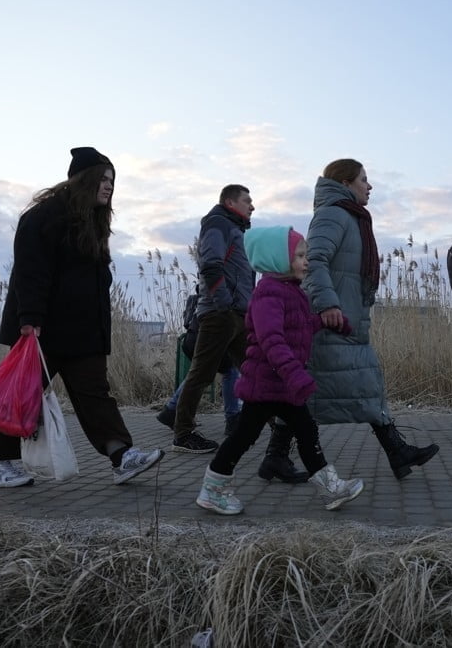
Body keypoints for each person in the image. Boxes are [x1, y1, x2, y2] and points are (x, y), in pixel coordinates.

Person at [0, 147, 164, 488]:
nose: (109, 186)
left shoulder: (92, 222)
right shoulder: (43, 217)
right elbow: (30, 271)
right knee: (23, 395)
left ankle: (121, 456)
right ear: (85, 179)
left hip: (83, 331)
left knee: (95, 393)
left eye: (112, 180)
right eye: (103, 179)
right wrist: (30, 319)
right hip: (44, 329)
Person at [196, 227, 364, 513]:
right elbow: (271, 340)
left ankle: (330, 488)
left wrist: (325, 322)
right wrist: (295, 374)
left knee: (306, 430)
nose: (306, 262)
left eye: (306, 256)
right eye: (299, 256)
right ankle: (213, 489)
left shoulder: (291, 293)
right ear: (277, 260)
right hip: (266, 383)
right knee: (244, 437)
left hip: (282, 384)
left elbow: (299, 329)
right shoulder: (268, 294)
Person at [303, 158, 439, 479]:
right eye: (364, 179)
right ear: (346, 183)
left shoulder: (351, 217)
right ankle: (397, 451)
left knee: (355, 387)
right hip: (333, 320)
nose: (370, 185)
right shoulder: (333, 214)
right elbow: (314, 260)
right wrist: (327, 305)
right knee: (355, 387)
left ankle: (397, 453)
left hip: (348, 320)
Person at [168, 185, 309, 482]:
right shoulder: (218, 223)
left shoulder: (237, 228)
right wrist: (223, 303)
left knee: (259, 370)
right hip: (220, 314)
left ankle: (281, 428)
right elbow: (210, 263)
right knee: (202, 373)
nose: (252, 206)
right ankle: (182, 433)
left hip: (239, 314)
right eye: (248, 201)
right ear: (230, 201)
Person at [156, 286, 241, 436]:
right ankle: (233, 418)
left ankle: (171, 410)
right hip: (206, 336)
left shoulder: (205, 295)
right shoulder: (224, 296)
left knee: (199, 373)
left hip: (192, 338)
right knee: (229, 370)